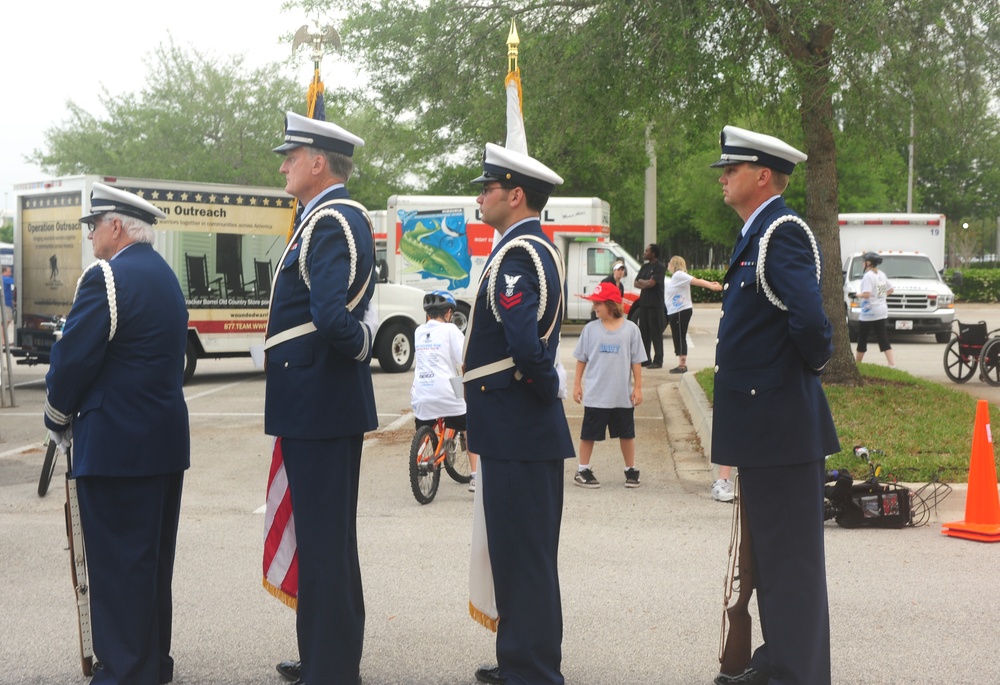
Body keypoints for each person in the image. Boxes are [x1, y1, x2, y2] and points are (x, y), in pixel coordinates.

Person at [43, 183, 190, 685]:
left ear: (117, 226)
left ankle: (126, 672)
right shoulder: (166, 277)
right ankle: (152, 664)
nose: (89, 237)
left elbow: (73, 358)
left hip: (116, 445)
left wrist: (56, 416)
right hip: (164, 442)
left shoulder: (106, 276)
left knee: (118, 565)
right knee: (149, 564)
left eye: (93, 226)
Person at [709, 125, 839, 685]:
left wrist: (799, 378)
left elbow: (812, 324)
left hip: (782, 424)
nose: (722, 177)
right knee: (772, 561)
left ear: (763, 176)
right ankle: (779, 664)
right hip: (767, 429)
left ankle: (797, 675)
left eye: (731, 169)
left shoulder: (780, 230)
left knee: (792, 566)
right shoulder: (755, 232)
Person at [266, 111, 377, 685]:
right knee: (320, 538)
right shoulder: (320, 218)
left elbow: (333, 316)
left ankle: (332, 669)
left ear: (318, 162)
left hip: (321, 403)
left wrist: (362, 344)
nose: (283, 165)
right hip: (314, 403)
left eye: (292, 156)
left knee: (326, 542)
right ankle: (322, 656)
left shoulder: (330, 221)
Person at [463, 142, 574, 685]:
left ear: (516, 194)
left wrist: (546, 388)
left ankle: (532, 670)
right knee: (517, 555)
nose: (480, 195)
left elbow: (526, 347)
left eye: (487, 187)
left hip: (518, 424)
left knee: (524, 559)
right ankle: (521, 661)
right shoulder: (529, 247)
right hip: (516, 425)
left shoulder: (517, 254)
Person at [571, 281, 645, 489]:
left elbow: (636, 361)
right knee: (588, 434)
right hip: (596, 395)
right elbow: (581, 359)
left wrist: (638, 387)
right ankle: (582, 469)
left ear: (612, 305)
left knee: (627, 434)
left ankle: (630, 469)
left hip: (621, 395)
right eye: (594, 303)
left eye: (598, 304)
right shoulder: (590, 330)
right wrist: (577, 385)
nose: (595, 307)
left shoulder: (631, 330)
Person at [412, 289, 478, 491]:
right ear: (448, 313)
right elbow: (464, 359)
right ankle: (475, 476)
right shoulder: (451, 331)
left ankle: (423, 449)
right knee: (469, 423)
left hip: (420, 394)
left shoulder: (418, 331)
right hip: (446, 392)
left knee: (427, 421)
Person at [663, 255, 722, 374]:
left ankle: (682, 365)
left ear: (675, 265)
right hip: (676, 311)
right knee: (678, 336)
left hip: (681, 310)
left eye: (670, 263)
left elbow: (696, 281)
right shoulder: (676, 277)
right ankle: (681, 363)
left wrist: (710, 286)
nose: (668, 265)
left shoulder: (679, 274)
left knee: (680, 336)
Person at [854, 251, 897, 368]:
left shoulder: (868, 276)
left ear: (868, 263)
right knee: (883, 337)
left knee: (862, 338)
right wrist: (881, 297)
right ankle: (892, 364)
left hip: (869, 312)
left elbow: (867, 294)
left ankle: (857, 365)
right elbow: (891, 290)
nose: (863, 263)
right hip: (881, 310)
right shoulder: (881, 274)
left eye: (864, 261)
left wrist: (857, 295)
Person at [634, 243, 666, 368]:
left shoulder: (659, 268)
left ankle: (658, 360)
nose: (644, 253)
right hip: (644, 304)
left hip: (655, 305)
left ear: (653, 253)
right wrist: (644, 282)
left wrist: (644, 282)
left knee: (656, 333)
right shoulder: (645, 267)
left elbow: (652, 284)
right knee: (644, 332)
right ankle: (645, 358)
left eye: (647, 251)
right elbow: (636, 283)